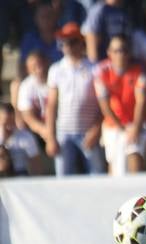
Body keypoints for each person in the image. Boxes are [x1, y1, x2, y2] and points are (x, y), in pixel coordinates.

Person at [45, 21, 105, 175]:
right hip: (63, 133)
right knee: (63, 179)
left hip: (88, 131)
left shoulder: (94, 68)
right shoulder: (56, 69)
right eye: (64, 42)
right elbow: (51, 105)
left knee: (97, 176)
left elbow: (103, 103)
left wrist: (96, 129)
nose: (68, 46)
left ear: (81, 43)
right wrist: (50, 137)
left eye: (72, 42)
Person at [94, 33, 146, 175]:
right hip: (113, 125)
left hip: (136, 124)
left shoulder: (139, 71)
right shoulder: (101, 71)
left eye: (124, 50)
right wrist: (121, 128)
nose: (121, 54)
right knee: (115, 164)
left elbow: (141, 101)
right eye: (116, 50)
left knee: (134, 156)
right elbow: (105, 105)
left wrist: (135, 128)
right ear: (109, 53)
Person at [0, 102, 43, 176]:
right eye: (5, 121)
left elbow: (36, 163)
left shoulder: (26, 137)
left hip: (20, 173)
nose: (8, 125)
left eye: (11, 120)